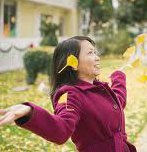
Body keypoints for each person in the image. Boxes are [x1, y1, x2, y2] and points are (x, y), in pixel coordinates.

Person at [0, 36, 137, 152]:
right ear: (73, 63)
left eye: (95, 52)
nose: (97, 58)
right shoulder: (69, 94)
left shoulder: (97, 88)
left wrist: (118, 78)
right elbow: (60, 130)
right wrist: (31, 112)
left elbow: (117, 102)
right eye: (90, 53)